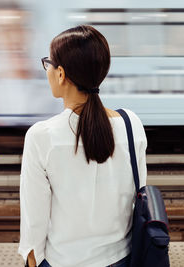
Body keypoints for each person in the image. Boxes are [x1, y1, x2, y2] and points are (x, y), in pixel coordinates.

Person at [18, 25, 147, 267]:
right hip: (123, 258)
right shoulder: (131, 125)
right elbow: (137, 196)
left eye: (48, 63)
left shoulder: (41, 136)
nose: (47, 70)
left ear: (61, 74)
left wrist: (31, 259)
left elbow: (34, 222)